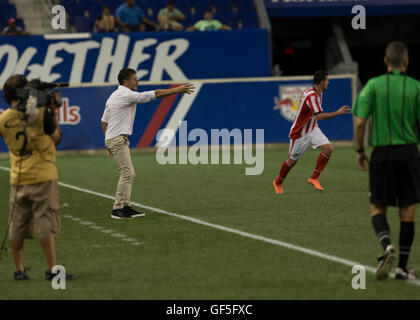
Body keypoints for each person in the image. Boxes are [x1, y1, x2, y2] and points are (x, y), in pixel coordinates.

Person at [353, 41, 420, 281]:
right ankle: (402, 267)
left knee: (377, 206)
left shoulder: (373, 85)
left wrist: (360, 150)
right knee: (407, 210)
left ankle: (387, 246)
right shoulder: (416, 88)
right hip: (409, 153)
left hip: (381, 154)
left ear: (385, 61)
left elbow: (360, 122)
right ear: (406, 62)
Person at [0, 75, 72, 281]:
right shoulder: (40, 114)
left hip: (18, 178)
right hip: (43, 175)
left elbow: (13, 120)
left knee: (16, 226)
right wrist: (53, 111)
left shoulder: (4, 119)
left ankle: (19, 270)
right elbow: (56, 137)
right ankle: (51, 269)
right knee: (46, 223)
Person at [101, 68, 195, 219]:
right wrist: (177, 90)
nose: (137, 81)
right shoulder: (125, 94)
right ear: (126, 82)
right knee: (127, 173)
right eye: (134, 79)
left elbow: (104, 122)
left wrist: (108, 142)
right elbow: (154, 94)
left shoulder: (114, 95)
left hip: (115, 138)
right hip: (117, 139)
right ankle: (118, 209)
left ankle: (126, 207)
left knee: (129, 173)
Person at [273, 70, 350, 194]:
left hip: (312, 128)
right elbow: (319, 116)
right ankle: (278, 182)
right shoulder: (311, 96)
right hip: (300, 132)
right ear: (321, 82)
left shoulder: (318, 92)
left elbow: (315, 118)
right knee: (292, 161)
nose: (328, 83)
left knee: (328, 149)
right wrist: (338, 112)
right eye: (327, 80)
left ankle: (314, 177)